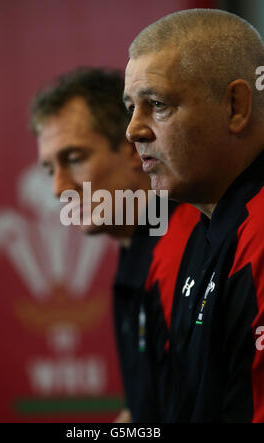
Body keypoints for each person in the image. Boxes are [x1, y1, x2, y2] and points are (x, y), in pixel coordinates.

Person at [29, 67, 199, 422]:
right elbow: (142, 412)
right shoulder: (135, 249)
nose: (58, 188)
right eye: (49, 169)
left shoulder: (184, 252)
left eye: (74, 158)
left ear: (133, 149)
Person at [124, 8, 264, 422]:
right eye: (131, 107)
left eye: (157, 104)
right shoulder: (206, 225)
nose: (133, 130)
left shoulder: (257, 237)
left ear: (236, 105)